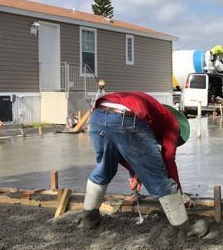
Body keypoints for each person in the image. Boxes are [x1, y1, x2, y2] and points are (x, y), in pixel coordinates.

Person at [81, 91, 207, 238]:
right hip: (127, 118)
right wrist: (179, 192)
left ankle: (90, 220)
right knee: (159, 178)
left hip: (98, 115)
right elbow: (167, 160)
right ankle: (186, 229)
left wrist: (136, 173)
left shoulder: (154, 112)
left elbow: (122, 154)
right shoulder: (172, 123)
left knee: (104, 169)